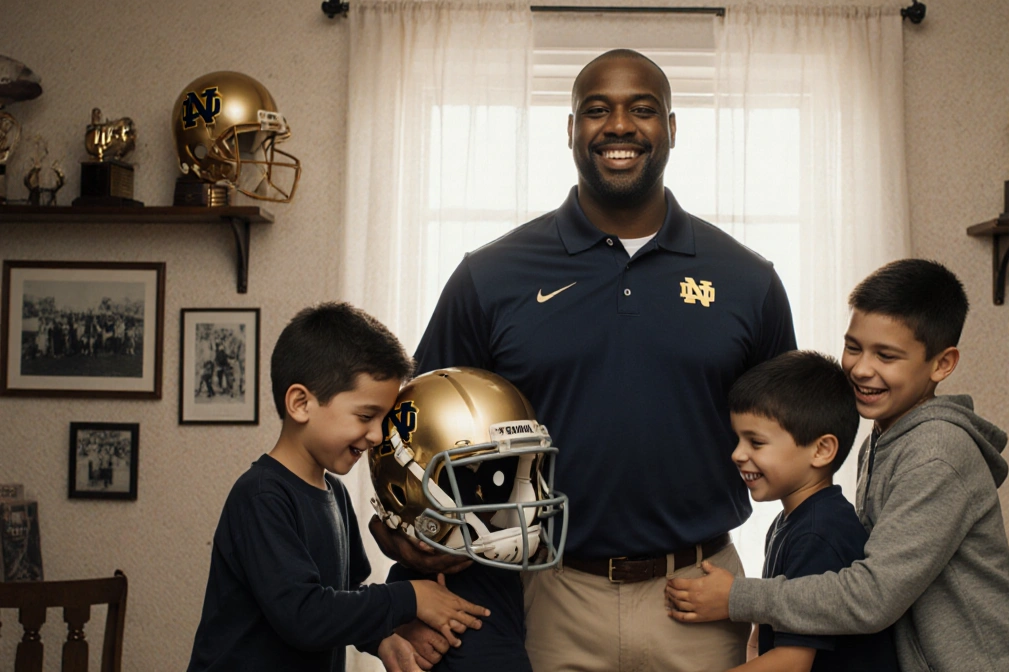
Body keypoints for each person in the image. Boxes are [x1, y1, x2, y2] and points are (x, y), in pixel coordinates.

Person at [371, 48, 796, 671]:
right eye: (596, 110)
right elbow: (410, 430)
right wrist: (404, 571)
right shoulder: (490, 276)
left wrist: (785, 606)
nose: (619, 126)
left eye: (642, 109)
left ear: (671, 129)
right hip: (549, 590)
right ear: (571, 130)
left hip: (699, 593)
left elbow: (793, 451)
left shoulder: (748, 280)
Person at [665, 259, 1009, 672]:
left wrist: (738, 598)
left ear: (942, 364)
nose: (860, 368)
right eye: (853, 347)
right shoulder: (885, 435)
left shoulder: (937, 452)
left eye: (886, 355)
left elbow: (874, 596)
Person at [186, 302, 490, 672]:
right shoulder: (261, 497)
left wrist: (383, 641)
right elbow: (305, 615)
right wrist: (410, 596)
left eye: (383, 420)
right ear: (301, 404)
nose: (378, 435)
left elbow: (341, 602)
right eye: (366, 416)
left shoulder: (336, 495)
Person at [724, 350, 899, 672]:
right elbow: (762, 635)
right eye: (737, 439)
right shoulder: (790, 521)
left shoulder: (819, 532)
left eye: (756, 442)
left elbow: (791, 663)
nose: (737, 454)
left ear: (821, 450)